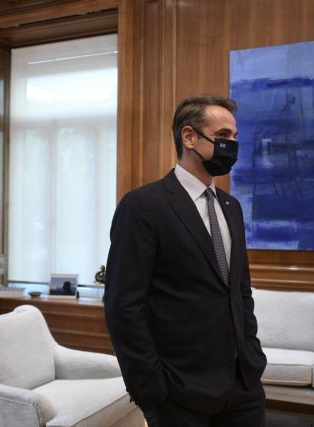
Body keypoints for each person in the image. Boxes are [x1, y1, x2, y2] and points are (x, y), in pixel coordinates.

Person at [104, 94, 267, 427]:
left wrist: (252, 352)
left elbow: (240, 291)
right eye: (223, 136)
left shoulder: (231, 207)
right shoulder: (143, 206)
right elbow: (122, 306)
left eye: (235, 136)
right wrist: (151, 388)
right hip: (178, 392)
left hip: (242, 387)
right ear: (189, 137)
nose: (232, 145)